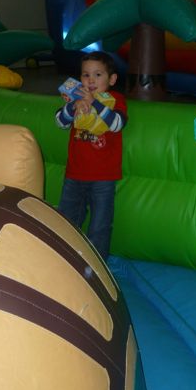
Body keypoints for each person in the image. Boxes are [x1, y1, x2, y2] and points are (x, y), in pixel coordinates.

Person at [55, 51, 128, 260]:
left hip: (103, 177)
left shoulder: (116, 99)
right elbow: (59, 122)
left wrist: (95, 103)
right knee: (67, 221)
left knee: (100, 226)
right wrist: (73, 106)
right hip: (75, 174)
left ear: (112, 79)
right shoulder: (76, 99)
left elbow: (116, 124)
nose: (91, 80)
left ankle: (97, 265)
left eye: (98, 75)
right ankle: (65, 260)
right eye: (86, 75)